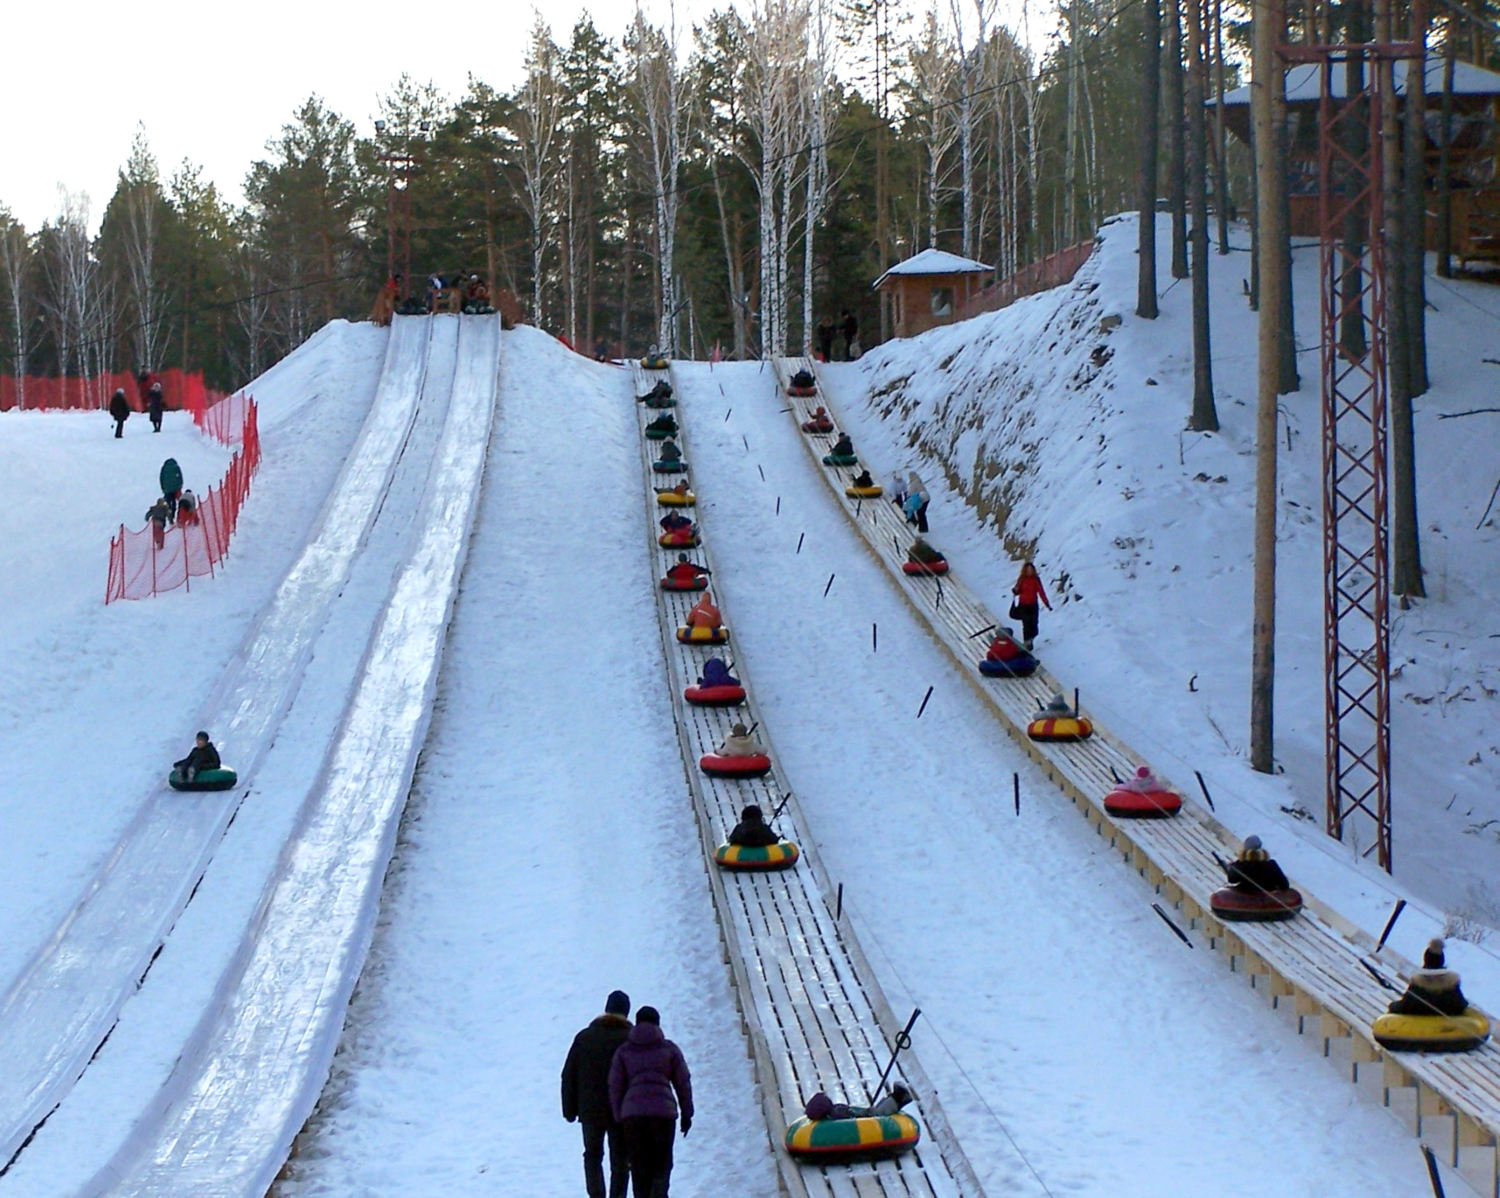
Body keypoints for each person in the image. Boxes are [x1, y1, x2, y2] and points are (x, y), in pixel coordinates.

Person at [608, 1006, 693, 1198]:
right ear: (657, 1023)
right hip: (663, 1114)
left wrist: (618, 1118)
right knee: (662, 1164)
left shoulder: (624, 1051)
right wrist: (687, 1113)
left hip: (633, 1117)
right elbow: (683, 1083)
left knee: (639, 1167)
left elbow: (615, 1087)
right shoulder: (669, 1049)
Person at [563, 990, 635, 1198]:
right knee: (621, 1159)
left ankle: (596, 1195)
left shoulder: (584, 1037)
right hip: (620, 1111)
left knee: (592, 1156)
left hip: (590, 1111)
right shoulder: (630, 1040)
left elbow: (568, 1075)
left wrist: (570, 1109)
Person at [1388, 939, 1470, 1017]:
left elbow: (1405, 1006)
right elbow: (1461, 1005)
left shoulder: (1418, 984)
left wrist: (1392, 1006)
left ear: (1425, 960)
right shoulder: (1451, 984)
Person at [804, 1082, 913, 1121]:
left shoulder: (832, 1112)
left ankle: (895, 1097)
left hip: (855, 1116)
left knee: (873, 1111)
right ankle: (898, 1098)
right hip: (859, 1121)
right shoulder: (834, 1116)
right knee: (877, 1115)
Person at [1223, 834, 1290, 894]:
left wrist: (1231, 868)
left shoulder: (1241, 865)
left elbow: (1232, 880)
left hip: (1245, 901)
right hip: (1268, 902)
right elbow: (1284, 885)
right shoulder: (1271, 865)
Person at [1011, 561, 1051, 650]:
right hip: (1023, 606)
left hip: (1033, 606)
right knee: (1026, 625)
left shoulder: (1036, 579)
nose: (1029, 572)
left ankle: (1031, 639)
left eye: (1031, 570)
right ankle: (1026, 642)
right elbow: (1017, 590)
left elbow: (1041, 592)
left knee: (1034, 625)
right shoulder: (1021, 579)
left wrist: (1047, 604)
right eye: (1028, 570)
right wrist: (1015, 590)